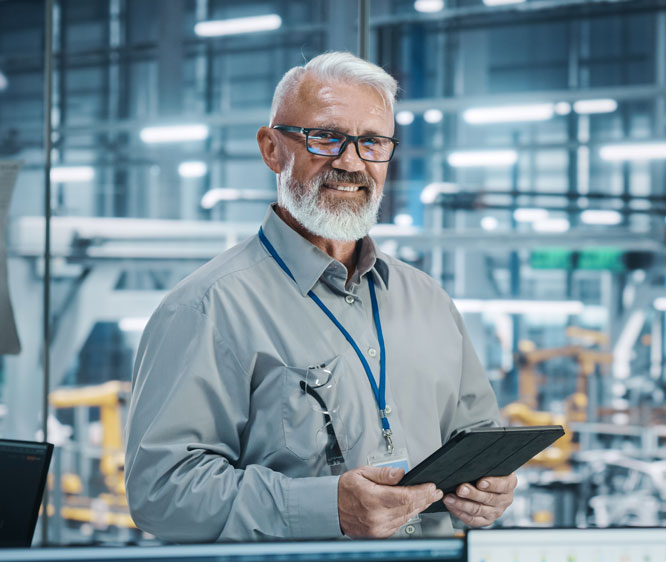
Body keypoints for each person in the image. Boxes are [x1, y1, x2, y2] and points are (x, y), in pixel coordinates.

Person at [124, 52, 515, 542]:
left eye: (372, 142)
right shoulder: (208, 307)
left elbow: (478, 439)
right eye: (326, 137)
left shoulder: (428, 300)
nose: (350, 163)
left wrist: (490, 491)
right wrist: (324, 508)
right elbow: (160, 492)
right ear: (271, 148)